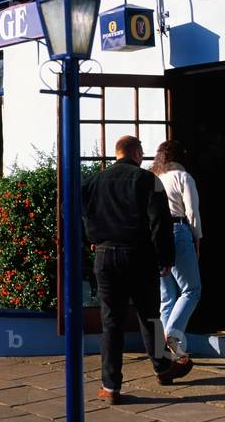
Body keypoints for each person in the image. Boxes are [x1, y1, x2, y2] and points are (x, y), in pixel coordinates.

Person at [82, 135, 195, 404]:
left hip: (105, 254)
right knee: (150, 317)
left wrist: (91, 239)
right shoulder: (147, 180)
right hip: (139, 255)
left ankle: (110, 386)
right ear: (135, 152)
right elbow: (160, 222)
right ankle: (162, 366)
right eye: (142, 152)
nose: (143, 157)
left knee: (111, 322)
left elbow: (76, 211)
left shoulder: (94, 182)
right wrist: (165, 258)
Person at [150, 140, 202, 360]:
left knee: (167, 296)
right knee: (191, 290)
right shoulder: (183, 177)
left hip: (155, 235)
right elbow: (191, 212)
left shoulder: (155, 179)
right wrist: (197, 238)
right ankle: (172, 335)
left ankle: (163, 351)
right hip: (178, 231)